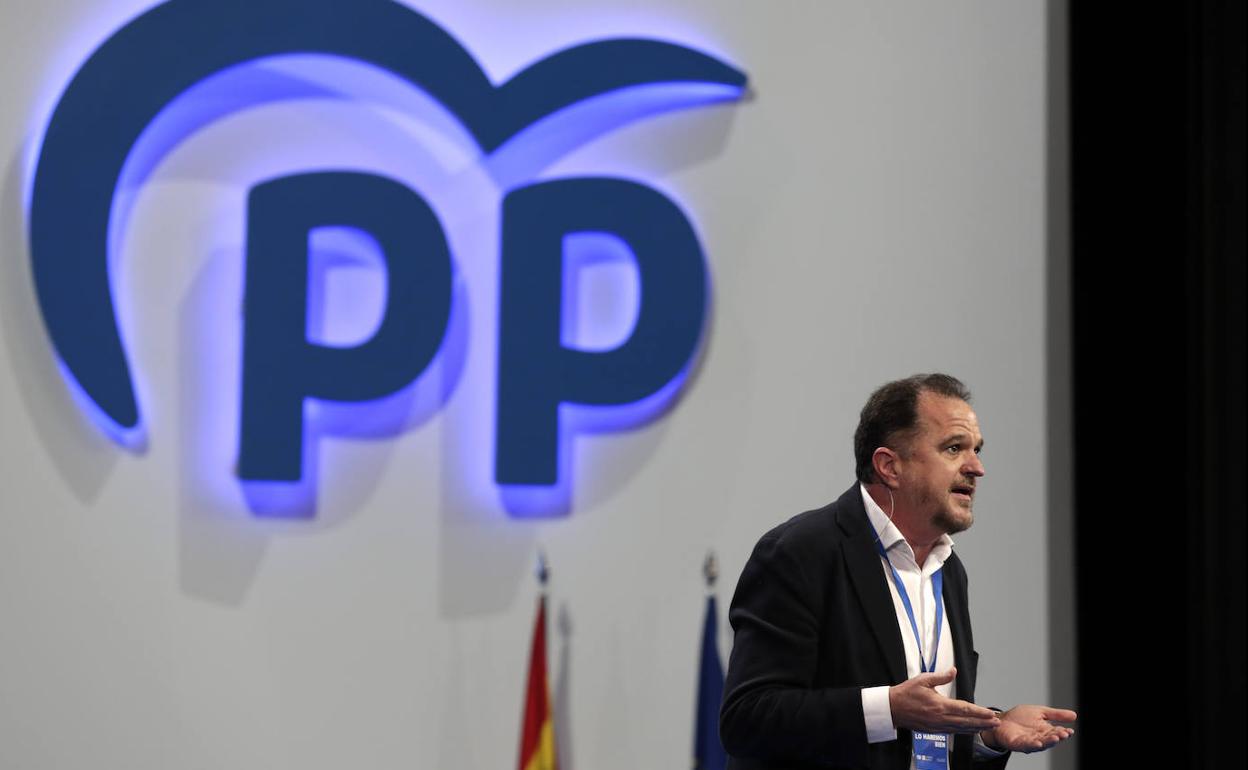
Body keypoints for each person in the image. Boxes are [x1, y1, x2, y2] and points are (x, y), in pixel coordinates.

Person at [719, 374, 1076, 770]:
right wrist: (887, 708)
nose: (977, 467)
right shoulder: (801, 552)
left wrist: (987, 732)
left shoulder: (949, 570)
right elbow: (746, 719)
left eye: (976, 450)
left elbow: (922, 735)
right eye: (954, 448)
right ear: (890, 466)